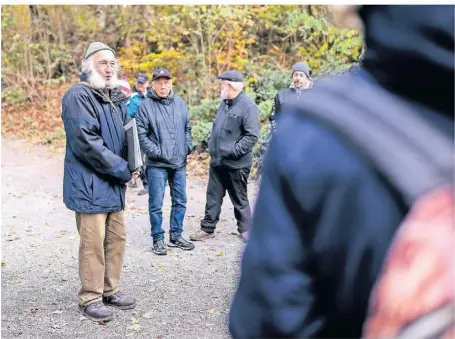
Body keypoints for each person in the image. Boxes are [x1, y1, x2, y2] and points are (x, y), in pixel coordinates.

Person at [229, 5, 454, 338]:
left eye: (302, 75)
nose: (298, 79)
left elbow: (266, 322)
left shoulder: (313, 132)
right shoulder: (295, 111)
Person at [62, 42, 139, 322]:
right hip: (89, 184)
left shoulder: (113, 97)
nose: (109, 68)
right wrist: (122, 169)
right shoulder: (78, 95)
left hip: (113, 183)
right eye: (102, 63)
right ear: (88, 66)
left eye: (112, 63)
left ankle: (110, 290)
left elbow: (127, 135)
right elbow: (87, 144)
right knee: (93, 243)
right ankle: (90, 297)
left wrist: (135, 166)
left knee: (116, 239)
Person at [190, 70, 260, 243]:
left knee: (239, 198)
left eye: (223, 83)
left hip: (237, 163)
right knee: (213, 196)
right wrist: (210, 143)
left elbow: (252, 136)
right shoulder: (224, 103)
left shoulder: (248, 106)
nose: (220, 86)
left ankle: (246, 229)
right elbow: (217, 128)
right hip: (217, 161)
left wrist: (234, 152)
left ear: (231, 85)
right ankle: (207, 228)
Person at [136, 68, 195, 255]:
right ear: (153, 85)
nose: (163, 86)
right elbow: (141, 135)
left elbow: (187, 127)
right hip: (157, 164)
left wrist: (186, 147)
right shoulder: (145, 105)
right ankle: (158, 239)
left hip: (179, 162)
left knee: (180, 200)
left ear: (171, 83)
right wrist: (158, 153)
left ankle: (176, 235)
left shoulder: (180, 102)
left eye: (166, 82)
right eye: (159, 82)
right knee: (156, 203)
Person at [269, 61, 313, 133]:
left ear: (307, 78)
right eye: (295, 75)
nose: (298, 78)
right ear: (292, 77)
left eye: (301, 75)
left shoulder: (316, 95)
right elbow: (273, 117)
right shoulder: (281, 95)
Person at [127, 72, 150, 196]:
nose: (140, 85)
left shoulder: (151, 95)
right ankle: (146, 184)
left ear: (147, 83)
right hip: (138, 132)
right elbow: (129, 115)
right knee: (139, 159)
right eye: (139, 83)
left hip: (151, 132)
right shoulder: (133, 98)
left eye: (143, 83)